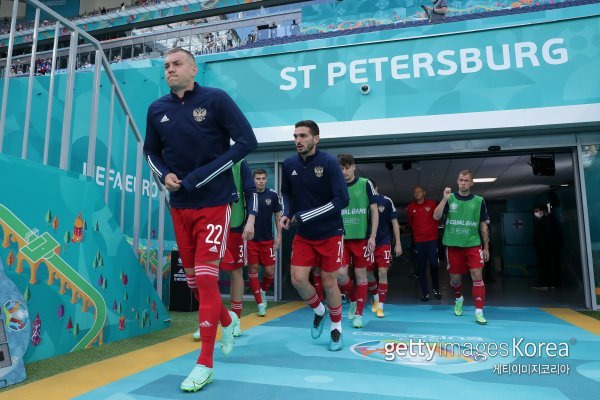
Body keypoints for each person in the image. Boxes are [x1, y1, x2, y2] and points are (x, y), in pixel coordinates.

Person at [144, 47, 257, 392]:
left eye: (177, 64)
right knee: (193, 282)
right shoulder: (157, 109)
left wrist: (202, 176)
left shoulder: (216, 99)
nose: (170, 69)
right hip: (179, 206)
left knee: (207, 281)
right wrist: (164, 176)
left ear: (194, 68)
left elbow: (246, 142)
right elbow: (151, 151)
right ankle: (227, 318)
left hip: (213, 202)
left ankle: (205, 363)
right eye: (165, 66)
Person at [280, 120, 349, 351]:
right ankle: (320, 310)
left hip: (330, 233)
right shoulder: (289, 164)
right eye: (295, 136)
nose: (298, 140)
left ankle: (336, 328)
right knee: (298, 279)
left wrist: (305, 215)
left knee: (329, 282)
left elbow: (342, 200)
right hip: (305, 234)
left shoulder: (329, 162)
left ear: (315, 139)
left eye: (303, 136)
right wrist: (286, 213)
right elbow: (286, 193)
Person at [433, 170, 490, 325]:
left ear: (471, 183)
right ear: (457, 181)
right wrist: (444, 200)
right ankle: (459, 298)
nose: (463, 182)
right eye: (460, 180)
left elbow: (483, 225)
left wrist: (486, 247)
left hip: (473, 244)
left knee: (477, 274)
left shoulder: (479, 201)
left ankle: (479, 312)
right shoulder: (449, 198)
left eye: (466, 180)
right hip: (453, 244)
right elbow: (436, 216)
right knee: (455, 279)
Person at [336, 154, 378, 329]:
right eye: (341, 169)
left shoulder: (365, 183)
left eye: (347, 168)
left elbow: (374, 210)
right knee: (340, 274)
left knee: (361, 276)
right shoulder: (335, 186)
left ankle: (359, 314)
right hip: (341, 238)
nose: (344, 172)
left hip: (362, 239)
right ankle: (353, 300)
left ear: (353, 166)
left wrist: (373, 236)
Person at [217, 160, 256, 336]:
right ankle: (207, 320)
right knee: (207, 275)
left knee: (236, 272)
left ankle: (236, 320)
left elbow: (251, 192)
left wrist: (250, 219)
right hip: (212, 225)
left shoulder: (240, 163)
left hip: (235, 225)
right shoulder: (207, 154)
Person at [247, 168, 282, 316]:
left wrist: (279, 235)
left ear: (266, 179)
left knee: (269, 271)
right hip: (251, 240)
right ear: (253, 180)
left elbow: (278, 217)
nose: (261, 181)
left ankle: (262, 291)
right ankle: (260, 304)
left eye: (263, 178)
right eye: (258, 178)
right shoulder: (248, 195)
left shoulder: (272, 195)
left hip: (267, 240)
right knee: (253, 269)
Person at [367, 180, 402, 318]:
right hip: (367, 242)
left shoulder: (386, 201)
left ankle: (381, 306)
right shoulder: (363, 201)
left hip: (383, 241)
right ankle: (376, 297)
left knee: (382, 271)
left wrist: (398, 243)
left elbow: (394, 222)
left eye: (372, 188)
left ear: (376, 188)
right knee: (367, 273)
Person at [407, 186, 441, 302]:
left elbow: (437, 218)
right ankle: (425, 293)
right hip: (419, 242)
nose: (417, 194)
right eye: (415, 192)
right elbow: (411, 223)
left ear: (424, 193)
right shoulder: (411, 207)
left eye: (419, 192)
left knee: (434, 265)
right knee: (421, 268)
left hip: (432, 240)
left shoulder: (431, 204)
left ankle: (436, 289)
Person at [532, 204, 563, 289]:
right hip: (548, 247)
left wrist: (541, 244)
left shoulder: (545, 220)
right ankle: (552, 283)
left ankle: (546, 283)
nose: (535, 213)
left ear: (542, 211)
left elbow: (546, 234)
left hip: (546, 248)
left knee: (545, 265)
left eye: (537, 211)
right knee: (549, 265)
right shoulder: (549, 219)